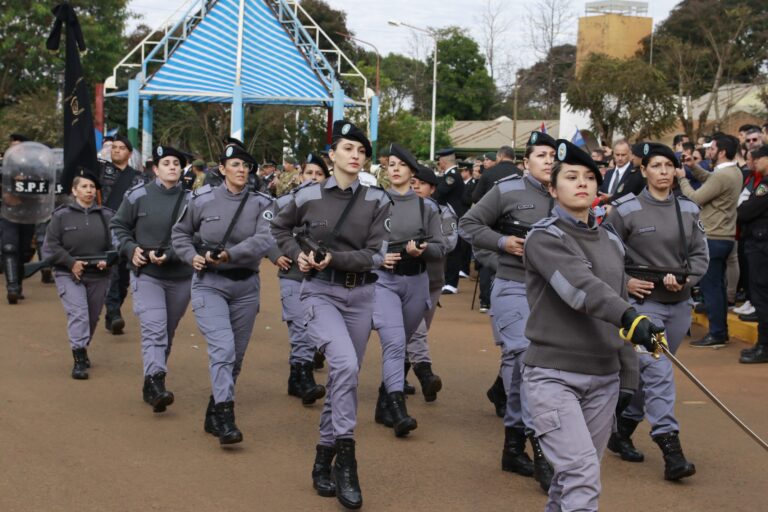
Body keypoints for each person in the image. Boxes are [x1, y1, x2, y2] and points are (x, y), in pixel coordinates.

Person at [522, 139, 660, 511]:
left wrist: (629, 373)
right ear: (552, 188)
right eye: (570, 176)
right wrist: (632, 318)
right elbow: (580, 290)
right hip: (553, 376)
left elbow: (621, 304)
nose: (581, 182)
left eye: (589, 177)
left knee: (571, 480)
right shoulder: (543, 237)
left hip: (604, 377)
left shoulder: (611, 241)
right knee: (582, 474)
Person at [270, 120, 390, 510]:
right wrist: (297, 253)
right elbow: (278, 227)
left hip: (362, 294)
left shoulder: (377, 199)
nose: (356, 156)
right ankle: (347, 461)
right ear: (332, 153)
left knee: (343, 375)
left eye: (362, 152)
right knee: (345, 367)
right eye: (349, 149)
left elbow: (376, 254)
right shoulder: (305, 195)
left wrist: (333, 256)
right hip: (320, 292)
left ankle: (323, 456)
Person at [459, 131, 558, 492]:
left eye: (553, 155)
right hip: (513, 287)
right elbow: (468, 225)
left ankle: (512, 447)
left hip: (553, 295)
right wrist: (502, 242)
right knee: (527, 362)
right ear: (525, 161)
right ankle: (543, 451)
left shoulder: (567, 194)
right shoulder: (507, 190)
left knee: (522, 370)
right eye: (542, 155)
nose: (549, 161)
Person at [605, 142, 707, 480]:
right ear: (644, 170)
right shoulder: (624, 209)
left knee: (649, 376)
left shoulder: (688, 209)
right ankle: (670, 448)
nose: (663, 172)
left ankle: (621, 429)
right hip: (642, 303)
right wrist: (627, 282)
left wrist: (686, 279)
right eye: (656, 165)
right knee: (659, 369)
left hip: (678, 304)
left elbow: (699, 257)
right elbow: (604, 256)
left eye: (669, 165)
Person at [171, 142, 275, 446]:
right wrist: (192, 256)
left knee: (236, 358)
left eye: (246, 166)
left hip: (245, 287)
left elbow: (264, 239)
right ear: (223, 169)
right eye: (236, 165)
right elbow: (180, 234)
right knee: (223, 349)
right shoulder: (201, 199)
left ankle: (214, 409)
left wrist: (230, 255)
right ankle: (227, 416)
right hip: (209, 283)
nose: (241, 170)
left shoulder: (262, 203)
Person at [110, 145, 193, 414]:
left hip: (180, 275)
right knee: (155, 328)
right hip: (147, 274)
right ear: (155, 169)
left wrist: (170, 255)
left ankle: (152, 379)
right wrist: (130, 249)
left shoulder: (193, 200)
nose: (172, 167)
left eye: (176, 163)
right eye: (166, 163)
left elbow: (199, 237)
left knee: (166, 332)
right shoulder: (137, 196)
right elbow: (118, 226)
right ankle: (157, 382)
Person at [372, 143, 446, 438]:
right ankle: (397, 407)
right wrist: (380, 255)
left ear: (412, 172)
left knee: (400, 344)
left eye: (401, 165)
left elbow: (441, 247)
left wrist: (424, 249)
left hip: (417, 281)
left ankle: (382, 402)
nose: (395, 169)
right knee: (393, 341)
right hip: (384, 280)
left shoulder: (426, 207)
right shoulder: (373, 201)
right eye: (391, 164)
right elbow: (360, 240)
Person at [267, 153, 329, 405]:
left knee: (315, 328)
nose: (313, 178)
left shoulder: (333, 206)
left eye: (319, 174)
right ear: (300, 175)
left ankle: (297, 376)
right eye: (309, 173)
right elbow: (267, 231)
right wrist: (275, 254)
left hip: (324, 277)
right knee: (300, 325)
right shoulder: (283, 203)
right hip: (292, 273)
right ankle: (303, 378)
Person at [43, 168, 114, 379]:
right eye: (84, 186)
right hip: (68, 274)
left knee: (92, 318)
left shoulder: (107, 215)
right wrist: (71, 262)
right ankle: (79, 358)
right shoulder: (61, 216)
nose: (89, 190)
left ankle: (82, 346)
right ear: (74, 190)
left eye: (92, 187)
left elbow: (117, 245)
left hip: (99, 275)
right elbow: (50, 247)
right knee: (79, 314)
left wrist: (108, 261)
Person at [676, 134, 743, 347]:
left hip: (713, 237)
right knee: (718, 288)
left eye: (712, 149)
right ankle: (720, 332)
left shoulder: (723, 175)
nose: (709, 152)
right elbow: (711, 180)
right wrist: (694, 167)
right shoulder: (732, 172)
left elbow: (694, 198)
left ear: (722, 151)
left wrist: (681, 178)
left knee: (711, 288)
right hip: (723, 237)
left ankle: (716, 333)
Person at [405, 165, 455, 402]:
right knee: (416, 329)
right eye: (412, 182)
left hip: (433, 279)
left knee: (417, 328)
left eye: (421, 184)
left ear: (432, 188)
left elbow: (450, 241)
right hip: (406, 278)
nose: (415, 186)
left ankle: (397, 379)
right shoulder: (397, 207)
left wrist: (425, 245)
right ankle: (425, 375)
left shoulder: (443, 211)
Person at [100, 134, 149, 334]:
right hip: (104, 227)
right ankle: (113, 312)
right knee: (111, 272)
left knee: (123, 276)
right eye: (114, 147)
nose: (116, 150)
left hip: (128, 231)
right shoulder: (100, 171)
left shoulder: (139, 177)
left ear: (129, 153)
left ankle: (114, 309)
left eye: (121, 148)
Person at [737, 145, 768, 363]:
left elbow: (746, 211)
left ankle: (764, 347)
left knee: (762, 297)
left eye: (758, 159)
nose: (754, 162)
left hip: (761, 245)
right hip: (759, 243)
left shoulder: (765, 185)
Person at [435, 147, 466, 294]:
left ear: (443, 161)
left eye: (439, 160)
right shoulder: (449, 174)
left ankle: (451, 283)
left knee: (452, 247)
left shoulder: (452, 175)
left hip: (451, 216)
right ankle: (447, 280)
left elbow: (439, 193)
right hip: (447, 215)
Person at [598, 140, 645, 206]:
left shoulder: (637, 174)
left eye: (623, 155)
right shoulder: (608, 173)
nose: (620, 158)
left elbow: (634, 197)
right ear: (613, 154)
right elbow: (601, 193)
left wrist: (611, 198)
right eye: (617, 154)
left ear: (629, 154)